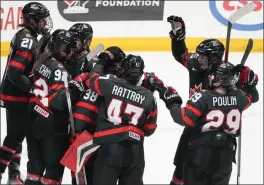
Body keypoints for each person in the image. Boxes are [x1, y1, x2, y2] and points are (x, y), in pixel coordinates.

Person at [166, 15, 259, 184]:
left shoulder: (227, 76)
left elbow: (251, 98)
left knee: (198, 170)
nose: (198, 60)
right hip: (192, 122)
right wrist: (178, 36)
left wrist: (249, 83)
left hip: (211, 134)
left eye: (203, 58)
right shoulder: (197, 64)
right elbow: (181, 54)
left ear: (215, 58)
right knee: (181, 164)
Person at [155, 62, 258, 185]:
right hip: (225, 158)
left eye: (213, 75)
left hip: (201, 155)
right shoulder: (240, 97)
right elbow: (253, 96)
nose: (210, 77)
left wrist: (172, 101)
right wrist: (248, 83)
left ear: (219, 79)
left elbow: (181, 118)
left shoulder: (203, 97)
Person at [83, 54, 158, 185]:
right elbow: (149, 130)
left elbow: (90, 79)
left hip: (109, 148)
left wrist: (103, 61)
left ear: (123, 70)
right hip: (136, 153)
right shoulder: (149, 97)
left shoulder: (109, 83)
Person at [25, 29, 86, 185]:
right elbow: (58, 102)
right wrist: (74, 90)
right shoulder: (60, 70)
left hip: (32, 118)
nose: (70, 54)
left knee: (34, 169)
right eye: (67, 50)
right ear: (59, 47)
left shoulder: (42, 60)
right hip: (50, 126)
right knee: (53, 171)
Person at [0, 2, 52, 184]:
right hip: (17, 95)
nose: (45, 23)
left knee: (17, 134)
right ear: (32, 20)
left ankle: (13, 174)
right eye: (42, 20)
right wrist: (32, 89)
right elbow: (15, 73)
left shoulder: (27, 36)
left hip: (13, 93)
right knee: (14, 136)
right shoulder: (27, 39)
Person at [71, 46, 125, 185]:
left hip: (74, 130)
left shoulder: (86, 74)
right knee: (94, 175)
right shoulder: (111, 83)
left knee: (78, 177)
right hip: (91, 135)